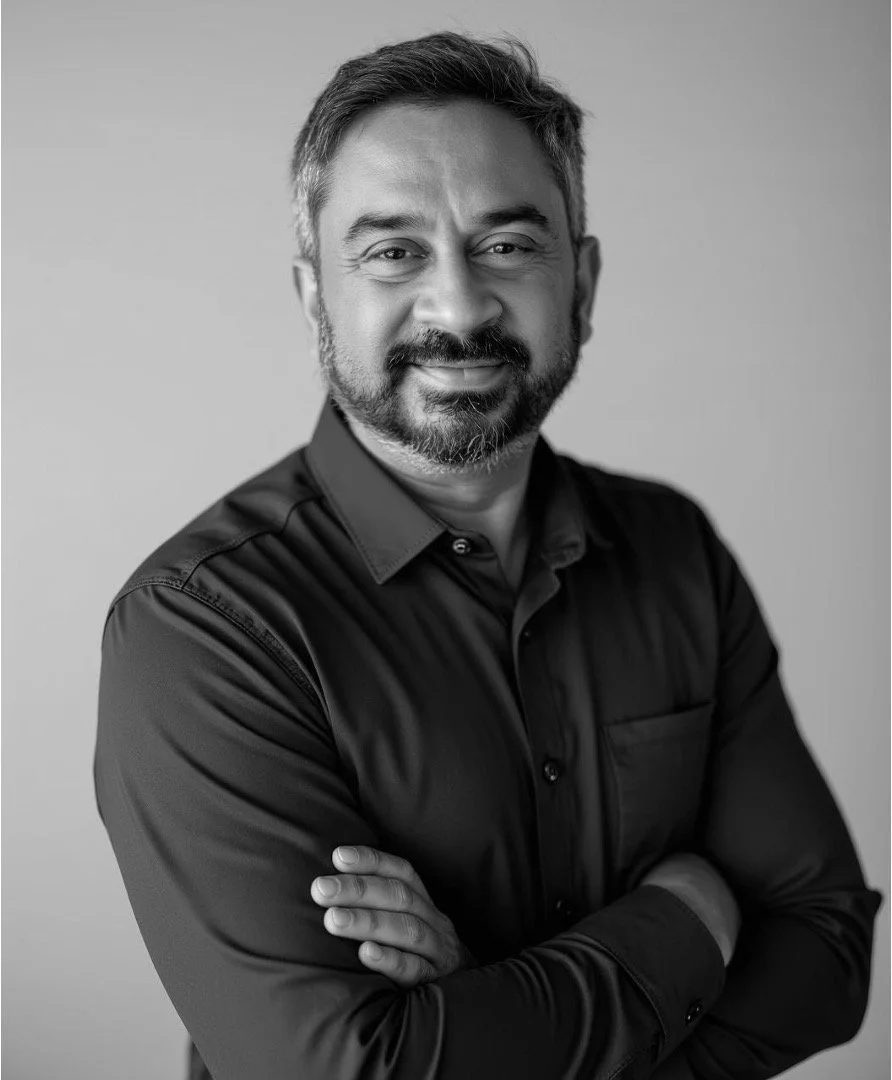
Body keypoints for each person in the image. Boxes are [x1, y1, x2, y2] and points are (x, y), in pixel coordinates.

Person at [94, 32, 881, 1080]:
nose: (459, 307)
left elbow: (826, 956)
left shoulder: (674, 552)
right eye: (393, 252)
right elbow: (346, 1072)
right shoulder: (202, 627)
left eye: (507, 245)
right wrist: (690, 913)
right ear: (315, 297)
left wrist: (485, 1002)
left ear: (582, 285)